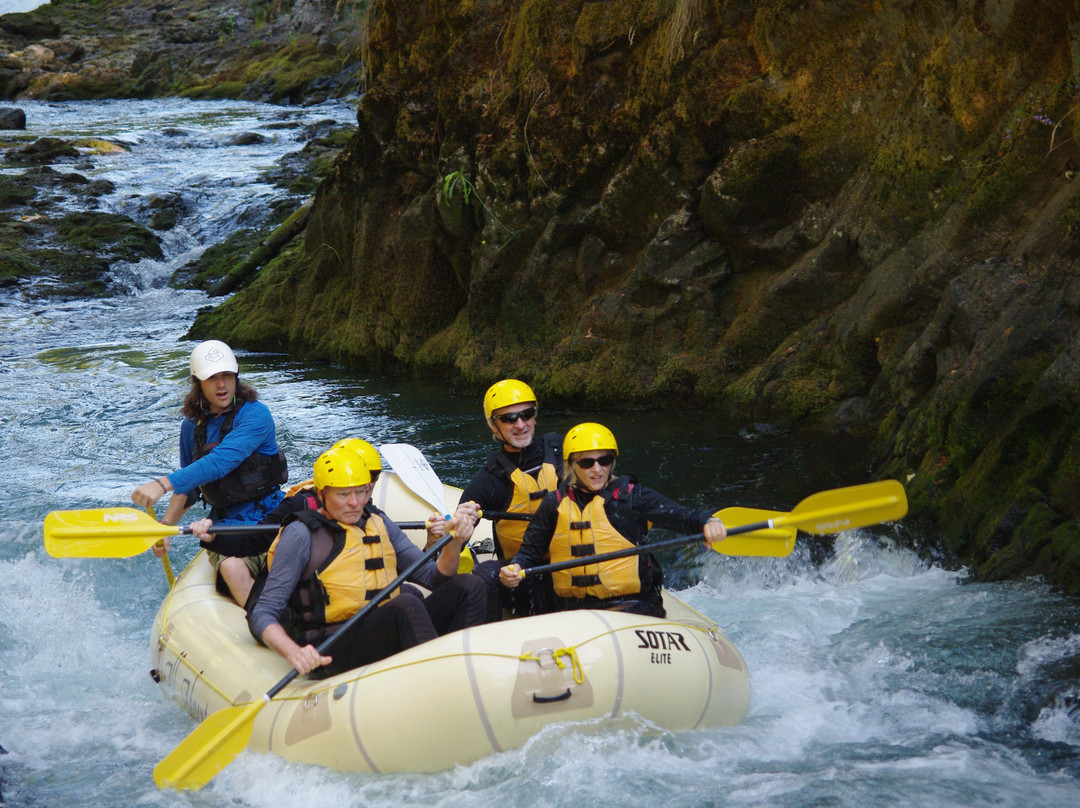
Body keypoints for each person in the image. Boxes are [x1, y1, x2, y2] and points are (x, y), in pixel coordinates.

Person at [247, 445, 488, 677]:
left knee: (469, 586)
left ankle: (463, 672)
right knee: (406, 604)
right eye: (343, 494)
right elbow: (263, 612)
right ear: (321, 494)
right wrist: (294, 652)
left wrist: (454, 542)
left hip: (385, 628)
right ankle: (442, 679)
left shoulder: (378, 521)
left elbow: (434, 577)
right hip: (333, 645)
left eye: (361, 491)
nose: (355, 502)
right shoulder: (300, 534)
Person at [498, 423, 727, 618]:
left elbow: (683, 517)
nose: (597, 470)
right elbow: (529, 552)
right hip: (574, 611)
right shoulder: (553, 504)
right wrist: (515, 568)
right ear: (570, 465)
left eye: (604, 460)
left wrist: (708, 522)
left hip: (633, 607)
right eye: (587, 463)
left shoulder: (633, 497)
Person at [131, 339, 287, 607]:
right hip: (226, 527)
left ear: (236, 376)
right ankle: (266, 625)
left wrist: (161, 484)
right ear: (198, 382)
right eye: (212, 378)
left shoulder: (256, 415)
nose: (222, 385)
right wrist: (165, 528)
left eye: (227, 375)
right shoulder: (191, 428)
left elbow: (220, 463)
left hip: (271, 517)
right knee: (232, 567)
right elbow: (190, 487)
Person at [459, 379, 563, 619]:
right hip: (521, 578)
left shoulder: (565, 453)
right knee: (485, 574)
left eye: (527, 414)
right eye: (508, 419)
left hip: (572, 566)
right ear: (494, 426)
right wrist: (454, 529)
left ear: (535, 416)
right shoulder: (488, 480)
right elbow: (457, 535)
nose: (520, 424)